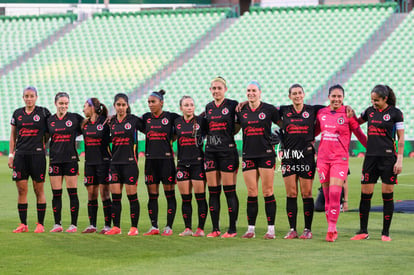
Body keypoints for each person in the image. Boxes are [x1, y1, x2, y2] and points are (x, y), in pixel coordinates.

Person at [351, 85, 404, 242]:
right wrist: (349, 113)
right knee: (365, 195)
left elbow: (401, 138)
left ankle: (385, 233)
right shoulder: (369, 111)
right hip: (370, 158)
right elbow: (354, 123)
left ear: (385, 99)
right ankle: (363, 231)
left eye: (376, 100)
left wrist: (399, 159)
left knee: (387, 196)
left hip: (388, 158)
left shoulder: (396, 113)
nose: (373, 103)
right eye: (372, 100)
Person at [315, 84, 367, 242]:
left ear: (343, 98)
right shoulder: (321, 113)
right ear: (329, 97)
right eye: (333, 96)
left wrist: (373, 149)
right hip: (323, 159)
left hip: (340, 159)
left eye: (339, 96)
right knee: (327, 196)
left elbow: (359, 134)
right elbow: (314, 132)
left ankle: (332, 228)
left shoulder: (348, 114)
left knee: (335, 193)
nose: (336, 99)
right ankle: (330, 226)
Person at [278, 84, 325, 239]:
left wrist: (347, 108)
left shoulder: (312, 110)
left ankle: (307, 230)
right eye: (294, 93)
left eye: (299, 93)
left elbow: (333, 108)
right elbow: (264, 109)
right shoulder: (283, 110)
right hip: (289, 156)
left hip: (306, 156)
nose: (297, 96)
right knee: (291, 193)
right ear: (289, 96)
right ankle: (292, 229)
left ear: (304, 94)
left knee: (306, 193)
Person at [236, 81, 279, 239]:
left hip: (266, 154)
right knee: (251, 192)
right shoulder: (241, 110)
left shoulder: (269, 109)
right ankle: (251, 230)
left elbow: (284, 123)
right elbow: (234, 128)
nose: (251, 93)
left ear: (260, 92)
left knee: (268, 191)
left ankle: (271, 230)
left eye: (254, 90)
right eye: (248, 91)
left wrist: (280, 136)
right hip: (248, 154)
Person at [9, 86, 51, 233]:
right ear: (23, 97)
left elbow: (49, 133)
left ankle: (40, 224)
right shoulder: (17, 113)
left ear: (36, 97)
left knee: (38, 189)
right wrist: (11, 154)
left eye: (31, 96)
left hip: (37, 156)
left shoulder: (43, 112)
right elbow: (13, 135)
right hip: (20, 156)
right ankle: (23, 224)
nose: (29, 98)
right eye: (26, 96)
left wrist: (42, 144)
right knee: (22, 190)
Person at [140, 90, 180, 236]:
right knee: (152, 196)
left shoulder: (171, 117)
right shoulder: (145, 118)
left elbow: (187, 122)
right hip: (150, 161)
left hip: (167, 161)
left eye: (153, 102)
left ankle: (169, 227)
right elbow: (129, 121)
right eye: (149, 102)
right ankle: (154, 226)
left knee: (170, 195)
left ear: (161, 103)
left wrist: (172, 138)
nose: (150, 105)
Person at [204, 76, 240, 238]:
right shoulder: (208, 108)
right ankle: (215, 228)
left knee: (229, 191)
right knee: (213, 191)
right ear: (210, 90)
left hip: (227, 152)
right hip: (211, 152)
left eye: (219, 88)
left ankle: (232, 229)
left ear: (225, 89)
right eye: (214, 88)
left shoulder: (233, 105)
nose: (216, 91)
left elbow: (240, 122)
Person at [105, 93, 142, 236]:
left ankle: (134, 227)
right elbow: (105, 141)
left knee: (132, 197)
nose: (121, 107)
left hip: (130, 164)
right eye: (118, 105)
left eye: (123, 105)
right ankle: (116, 227)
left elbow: (149, 129)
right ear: (114, 106)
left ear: (127, 106)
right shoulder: (110, 122)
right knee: (116, 198)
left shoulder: (134, 120)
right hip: (115, 165)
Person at [47, 92, 84, 233]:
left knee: (72, 193)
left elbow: (89, 125)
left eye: (66, 103)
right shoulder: (50, 120)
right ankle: (57, 224)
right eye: (61, 103)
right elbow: (45, 137)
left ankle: (73, 225)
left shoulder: (75, 118)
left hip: (70, 160)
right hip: (55, 160)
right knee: (56, 193)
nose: (64, 106)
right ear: (55, 103)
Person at [174, 96, 208, 237]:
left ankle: (200, 229)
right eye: (186, 105)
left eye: (191, 104)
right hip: (182, 164)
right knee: (185, 198)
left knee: (200, 197)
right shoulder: (176, 122)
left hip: (198, 163)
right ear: (181, 108)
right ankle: (188, 228)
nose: (189, 107)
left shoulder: (201, 122)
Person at [81, 98, 112, 234]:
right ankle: (92, 225)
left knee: (104, 194)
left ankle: (107, 226)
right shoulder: (85, 124)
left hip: (103, 162)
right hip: (89, 163)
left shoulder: (106, 122)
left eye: (85, 107)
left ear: (92, 108)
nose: (83, 110)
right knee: (91, 194)